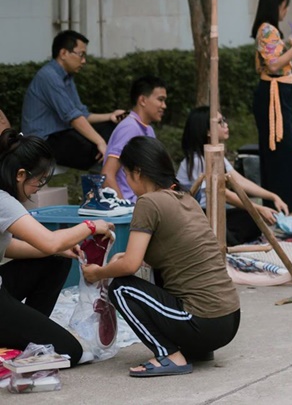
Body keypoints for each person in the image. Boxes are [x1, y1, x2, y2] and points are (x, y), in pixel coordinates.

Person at [84, 137, 241, 377]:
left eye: (126, 174)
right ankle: (193, 348)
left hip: (204, 322)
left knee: (121, 289)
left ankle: (168, 354)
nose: (126, 180)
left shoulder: (148, 202)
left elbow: (131, 265)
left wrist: (98, 272)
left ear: (138, 172)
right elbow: (171, 252)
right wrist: (123, 260)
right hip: (229, 319)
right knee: (152, 274)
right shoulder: (185, 198)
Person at [0, 129, 114, 366]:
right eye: (38, 180)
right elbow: (50, 241)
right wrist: (92, 226)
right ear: (20, 174)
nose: (39, 187)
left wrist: (56, 249)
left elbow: (8, 247)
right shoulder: (3, 202)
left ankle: (29, 330)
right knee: (73, 352)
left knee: (56, 258)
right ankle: (24, 335)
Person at [178, 107, 287, 247]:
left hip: (215, 211)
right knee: (242, 222)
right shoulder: (197, 160)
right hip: (196, 216)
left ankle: (223, 240)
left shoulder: (217, 155)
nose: (226, 125)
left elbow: (239, 181)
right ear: (208, 131)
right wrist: (258, 209)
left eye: (224, 120)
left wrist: (272, 196)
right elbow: (223, 194)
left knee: (250, 220)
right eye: (220, 122)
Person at [20, 30, 125, 169]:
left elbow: (81, 114)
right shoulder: (48, 76)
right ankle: (104, 183)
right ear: (63, 53)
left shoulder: (67, 77)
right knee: (93, 148)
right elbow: (73, 118)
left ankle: (107, 176)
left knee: (113, 128)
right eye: (81, 55)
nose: (84, 61)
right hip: (42, 141)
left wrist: (110, 116)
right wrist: (100, 142)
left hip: (61, 133)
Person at [251, 0, 292, 214]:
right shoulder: (267, 30)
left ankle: (281, 207)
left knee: (281, 151)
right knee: (284, 151)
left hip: (277, 93)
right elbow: (274, 65)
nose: (286, 10)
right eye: (284, 5)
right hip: (273, 93)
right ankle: (285, 208)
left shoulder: (270, 30)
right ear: (277, 6)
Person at [103, 75, 168, 201]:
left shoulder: (148, 129)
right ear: (142, 100)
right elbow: (107, 174)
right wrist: (124, 209)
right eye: (160, 99)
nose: (164, 106)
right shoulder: (129, 128)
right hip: (131, 208)